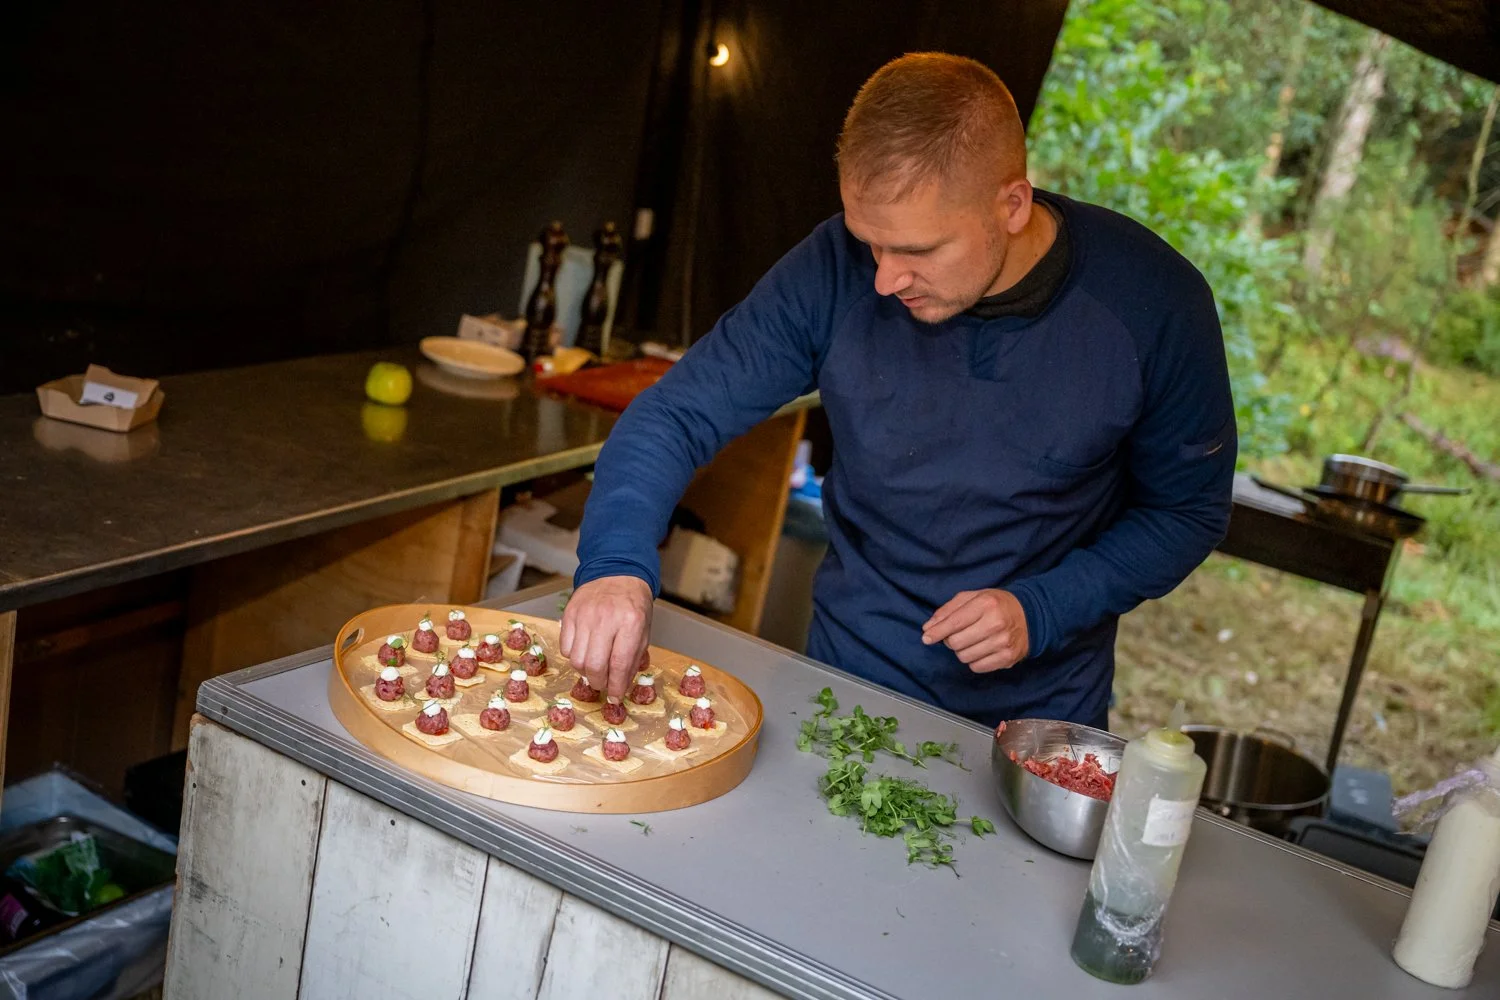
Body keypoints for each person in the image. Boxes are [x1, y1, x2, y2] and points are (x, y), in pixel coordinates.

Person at [559, 52, 1237, 732]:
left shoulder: (1153, 306)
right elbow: (676, 415)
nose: (885, 280)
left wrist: (1044, 608)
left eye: (918, 251)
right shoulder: (834, 267)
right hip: (846, 681)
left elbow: (1186, 512)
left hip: (1036, 718)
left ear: (1012, 205)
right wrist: (616, 566)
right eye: (871, 244)